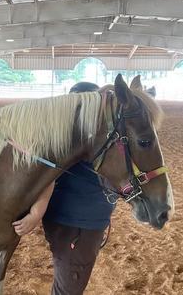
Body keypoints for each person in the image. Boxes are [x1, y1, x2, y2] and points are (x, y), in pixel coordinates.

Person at [13, 82, 115, 295]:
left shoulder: (80, 133)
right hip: (77, 224)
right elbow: (48, 175)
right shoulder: (71, 136)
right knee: (69, 287)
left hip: (77, 220)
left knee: (68, 279)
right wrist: (35, 213)